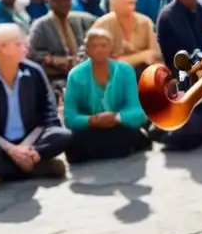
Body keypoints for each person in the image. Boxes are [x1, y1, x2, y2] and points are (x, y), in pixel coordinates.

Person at [0, 24, 72, 191]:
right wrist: (11, 149)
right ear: (2, 47)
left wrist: (25, 147)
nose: (26, 47)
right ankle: (37, 168)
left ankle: (0, 173)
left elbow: (47, 113)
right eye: (19, 44)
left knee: (63, 135)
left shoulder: (34, 72)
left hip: (31, 140)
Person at [62, 29, 149, 163]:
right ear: (87, 50)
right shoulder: (75, 75)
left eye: (103, 45)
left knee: (134, 134)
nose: (99, 50)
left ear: (110, 48)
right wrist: (93, 120)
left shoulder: (125, 71)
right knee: (72, 140)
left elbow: (137, 112)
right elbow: (70, 118)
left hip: (117, 126)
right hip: (89, 129)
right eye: (94, 46)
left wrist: (116, 118)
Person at [154, 0, 202, 151]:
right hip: (182, 75)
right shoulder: (170, 15)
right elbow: (187, 50)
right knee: (198, 127)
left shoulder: (198, 9)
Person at [27, 0, 94, 92]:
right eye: (58, 1)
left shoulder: (80, 19)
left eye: (67, 0)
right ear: (50, 2)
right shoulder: (41, 24)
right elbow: (32, 53)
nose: (63, 4)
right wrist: (54, 60)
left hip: (81, 70)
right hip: (56, 76)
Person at [93, 0, 160, 73]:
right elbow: (101, 62)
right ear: (115, 3)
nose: (133, 7)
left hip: (144, 75)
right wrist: (142, 56)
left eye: (133, 3)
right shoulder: (102, 25)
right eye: (129, 3)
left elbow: (155, 55)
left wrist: (122, 60)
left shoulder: (145, 22)